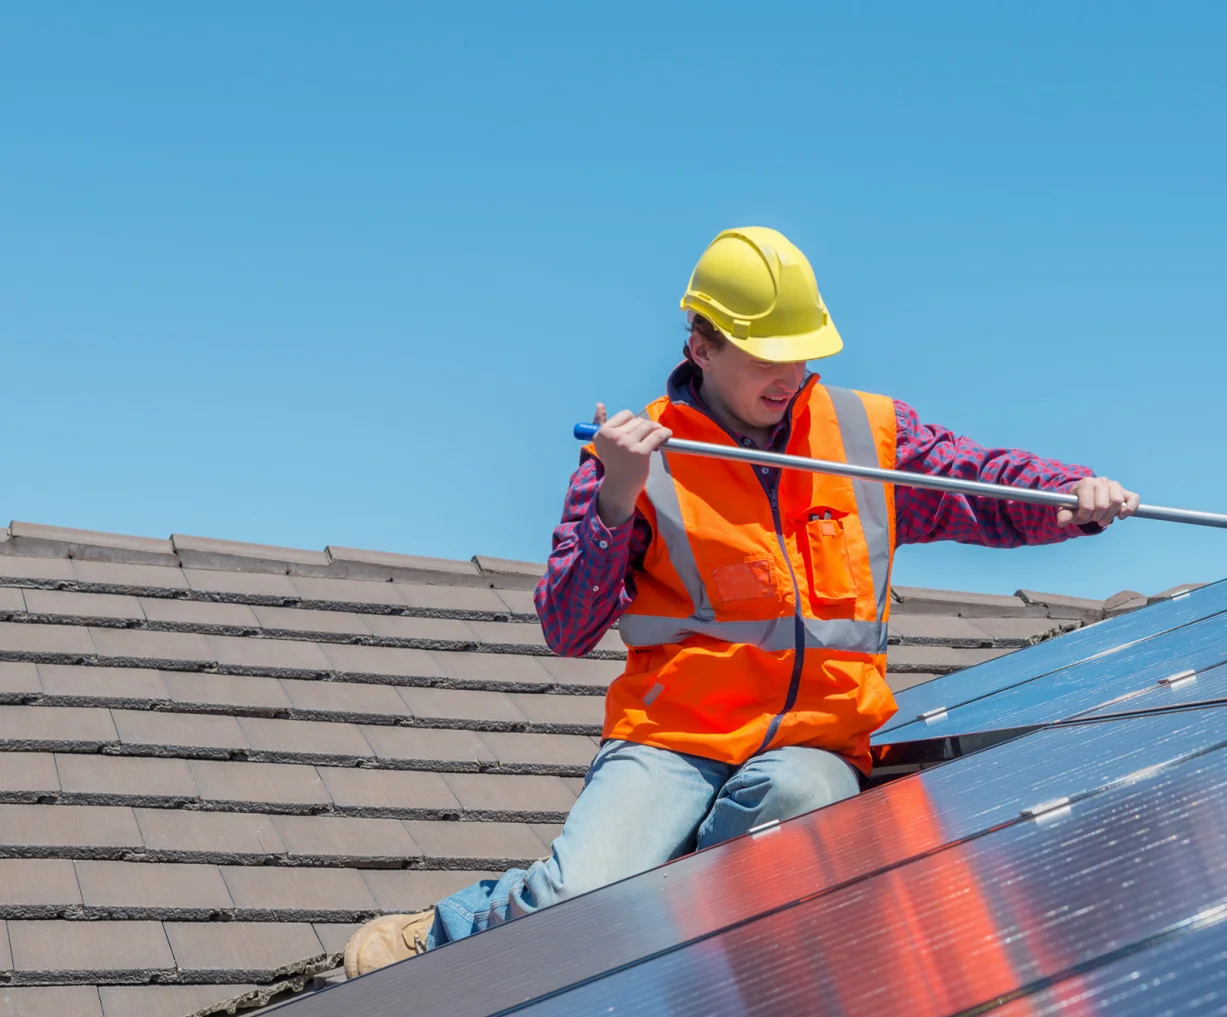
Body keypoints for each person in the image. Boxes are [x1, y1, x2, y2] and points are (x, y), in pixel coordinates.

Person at [344, 227, 1138, 975]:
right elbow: (566, 625)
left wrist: (1070, 495)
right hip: (674, 738)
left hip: (815, 744)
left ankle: (672, 884)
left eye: (802, 354)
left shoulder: (865, 434)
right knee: (580, 905)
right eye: (765, 358)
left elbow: (980, 484)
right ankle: (448, 928)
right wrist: (617, 497)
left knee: (801, 812)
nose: (789, 376)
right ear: (702, 347)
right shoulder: (638, 454)